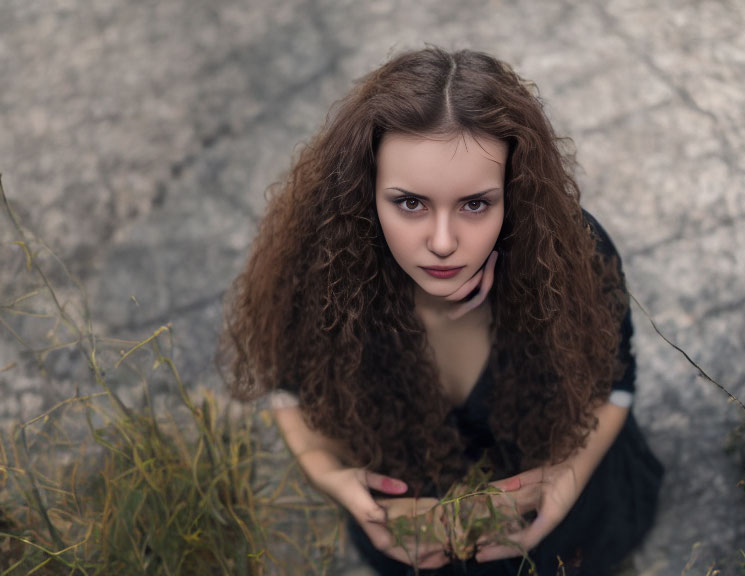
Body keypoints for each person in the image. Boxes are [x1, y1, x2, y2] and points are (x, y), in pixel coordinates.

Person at [221, 47, 663, 576]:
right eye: (410, 203)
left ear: (514, 194)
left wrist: (567, 480)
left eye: (476, 204)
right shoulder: (323, 270)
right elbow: (287, 385)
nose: (443, 242)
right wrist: (324, 472)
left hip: (574, 533)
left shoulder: (570, 252)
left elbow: (617, 377)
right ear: (366, 193)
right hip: (417, 545)